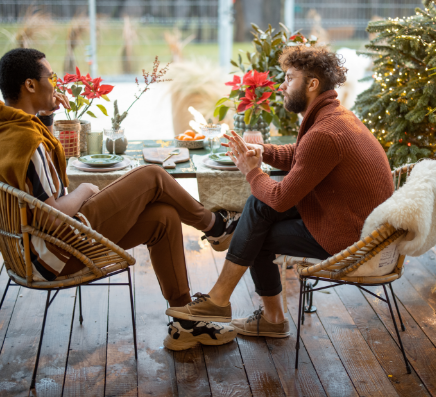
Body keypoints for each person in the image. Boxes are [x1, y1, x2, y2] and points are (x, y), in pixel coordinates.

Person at [0, 48, 242, 351]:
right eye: (50, 77)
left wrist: (47, 117)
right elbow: (50, 214)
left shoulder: (10, 130)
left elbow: (36, 191)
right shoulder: (28, 141)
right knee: (152, 176)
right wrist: (85, 190)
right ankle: (217, 227)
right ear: (30, 85)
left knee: (165, 217)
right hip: (57, 251)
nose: (56, 84)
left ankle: (185, 323)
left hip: (34, 250)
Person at [166, 45, 395, 337]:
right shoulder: (335, 118)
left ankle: (244, 309)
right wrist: (261, 150)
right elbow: (301, 153)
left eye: (289, 78)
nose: (282, 86)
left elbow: (279, 197)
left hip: (351, 239)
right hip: (356, 224)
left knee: (256, 229)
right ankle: (228, 301)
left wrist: (251, 171)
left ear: (312, 84)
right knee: (258, 209)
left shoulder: (325, 133)